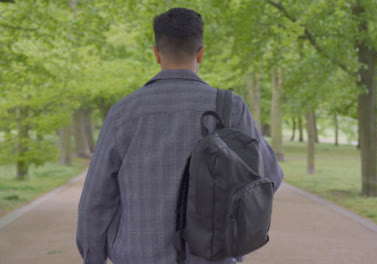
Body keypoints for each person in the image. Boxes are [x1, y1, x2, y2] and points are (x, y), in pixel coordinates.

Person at [76, 7, 284, 264]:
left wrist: (92, 257)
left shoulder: (123, 113)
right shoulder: (230, 107)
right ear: (201, 53)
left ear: (156, 53)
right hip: (212, 257)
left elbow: (96, 202)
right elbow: (271, 177)